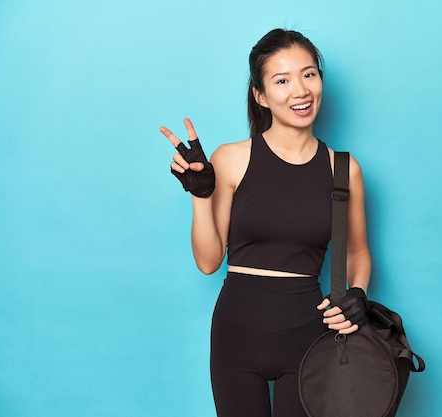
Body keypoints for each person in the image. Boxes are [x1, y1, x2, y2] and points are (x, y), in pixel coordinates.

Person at [159, 28, 371, 417]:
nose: (300, 91)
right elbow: (208, 262)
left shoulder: (344, 169)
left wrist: (357, 295)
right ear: (261, 95)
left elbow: (357, 250)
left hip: (309, 336)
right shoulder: (231, 158)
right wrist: (200, 196)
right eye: (282, 80)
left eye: (309, 74)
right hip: (236, 334)